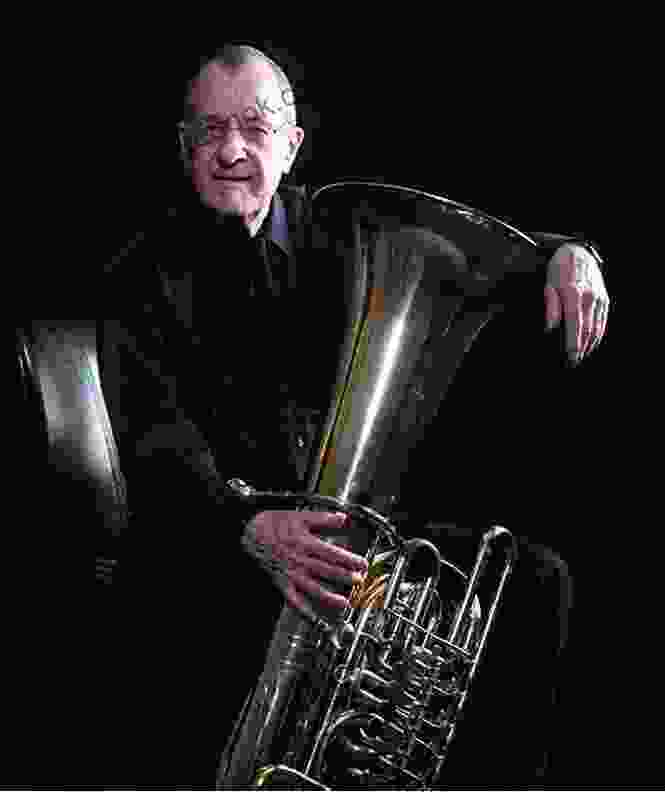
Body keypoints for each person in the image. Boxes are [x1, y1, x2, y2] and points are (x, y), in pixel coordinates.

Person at [96, 43, 609, 788]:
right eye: (209, 132)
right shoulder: (139, 275)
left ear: (292, 144)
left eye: (254, 127)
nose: (231, 150)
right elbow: (147, 434)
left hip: (343, 528)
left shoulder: (341, 225)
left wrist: (571, 254)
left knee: (531, 582)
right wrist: (244, 525)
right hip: (223, 538)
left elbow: (496, 249)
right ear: (184, 150)